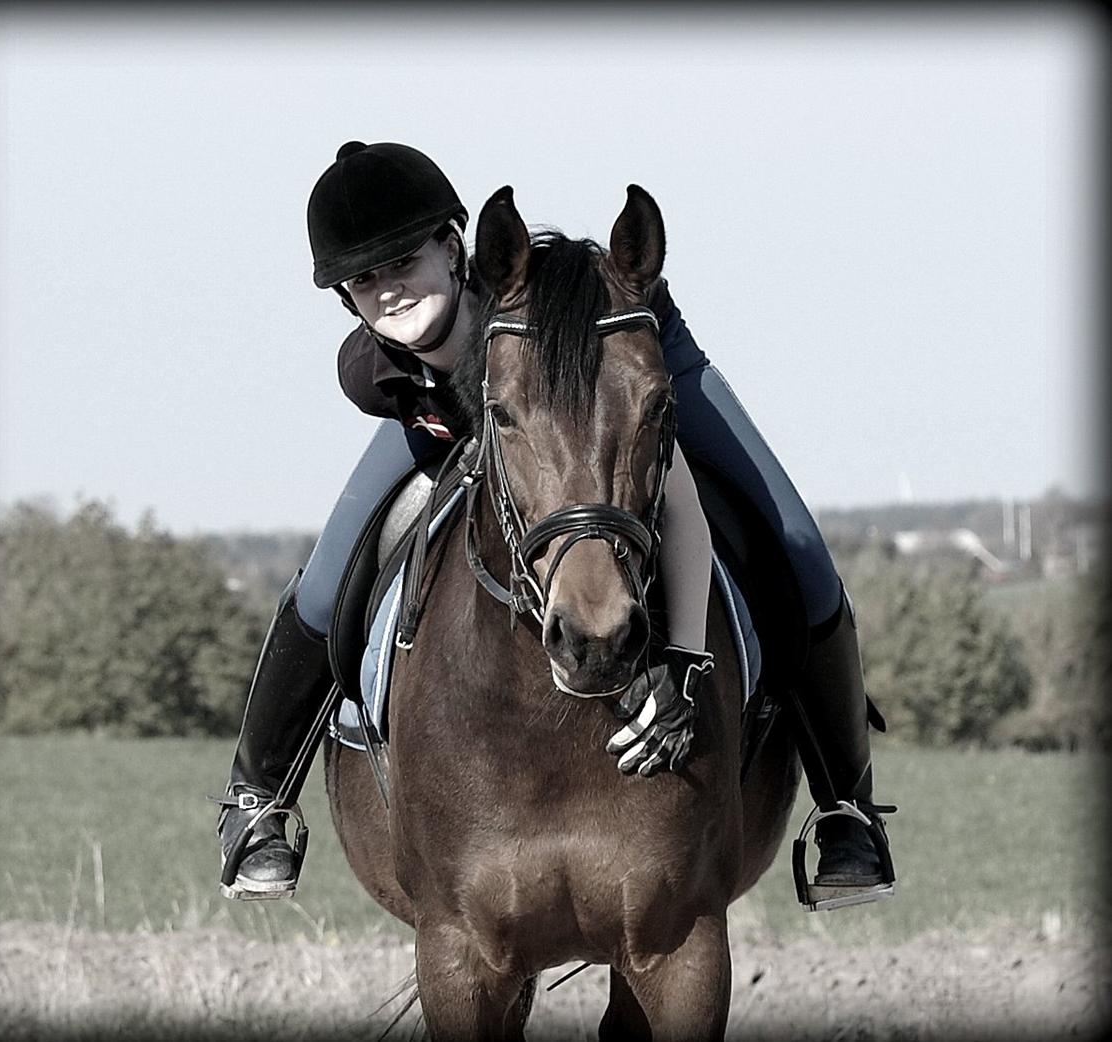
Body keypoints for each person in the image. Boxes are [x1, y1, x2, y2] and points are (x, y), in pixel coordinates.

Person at [213, 140, 894, 906]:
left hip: (626, 357)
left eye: (402, 263)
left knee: (797, 543)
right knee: (326, 581)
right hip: (496, 422)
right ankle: (255, 800)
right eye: (361, 280)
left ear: (452, 248)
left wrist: (684, 657)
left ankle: (847, 810)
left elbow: (672, 493)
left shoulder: (536, 302)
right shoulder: (372, 372)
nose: (388, 293)